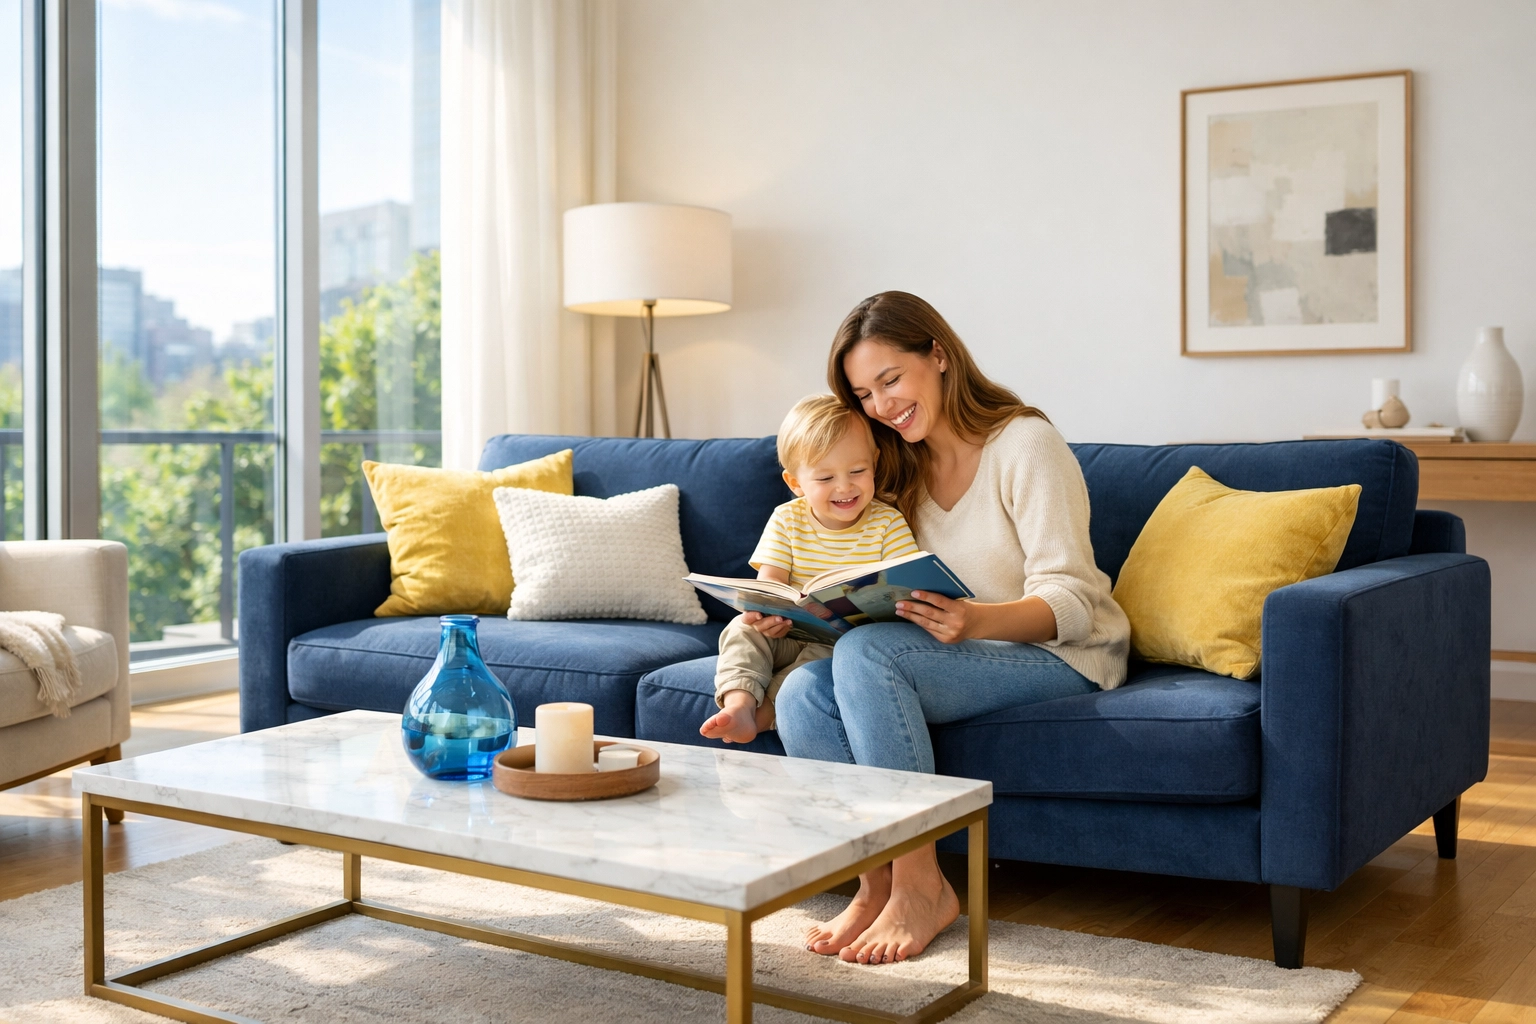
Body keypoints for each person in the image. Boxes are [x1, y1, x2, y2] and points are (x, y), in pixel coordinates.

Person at [776, 291, 1131, 966]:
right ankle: (875, 883)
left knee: (872, 656)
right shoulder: (895, 467)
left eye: (890, 380)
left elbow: (1074, 602)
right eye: (864, 394)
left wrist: (974, 620)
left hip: (1061, 652)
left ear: (937, 355)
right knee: (801, 693)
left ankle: (922, 885)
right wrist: (802, 610)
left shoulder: (1025, 444)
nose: (882, 406)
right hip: (951, 653)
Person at [700, 394, 920, 745]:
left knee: (822, 663)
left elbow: (905, 585)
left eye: (857, 471)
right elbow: (769, 585)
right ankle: (739, 702)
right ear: (795, 483)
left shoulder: (887, 523)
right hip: (788, 631)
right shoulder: (787, 519)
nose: (844, 486)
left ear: (875, 462)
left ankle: (762, 715)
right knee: (740, 629)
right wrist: (765, 616)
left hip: (843, 642)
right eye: (825, 477)